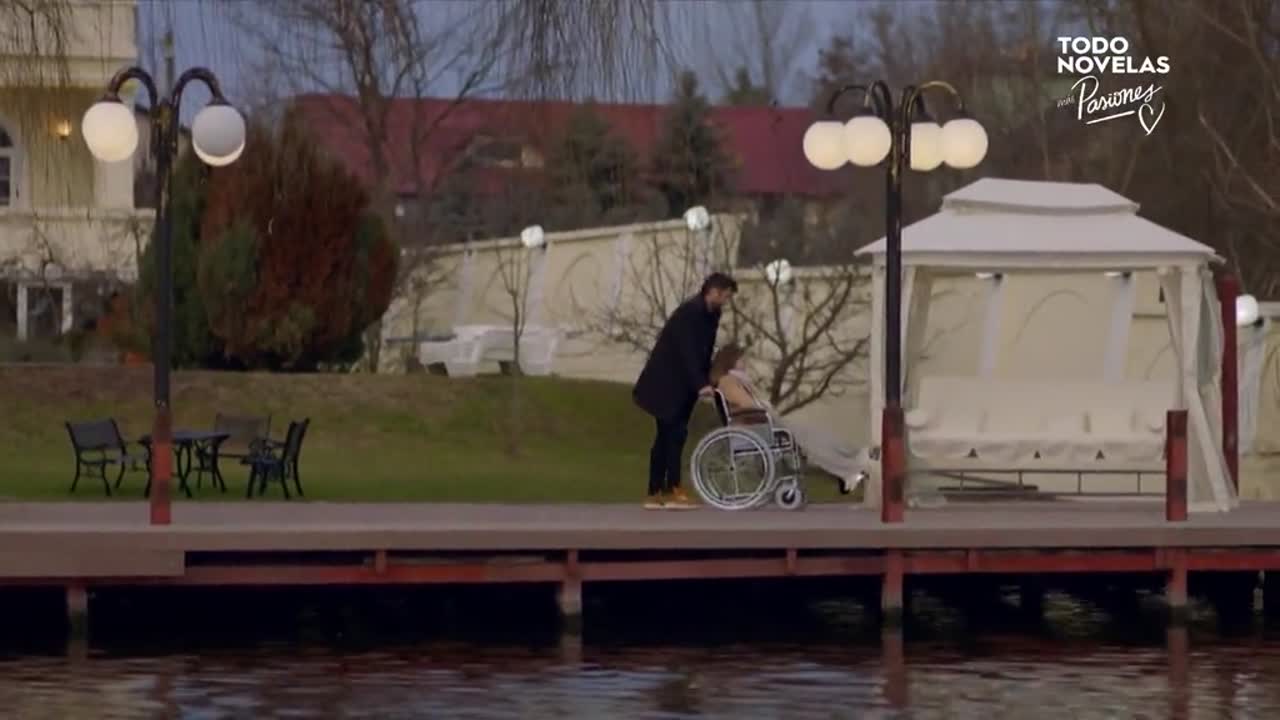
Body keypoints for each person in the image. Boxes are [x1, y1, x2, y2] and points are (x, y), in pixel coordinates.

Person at [709, 343, 872, 497]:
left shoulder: (738, 380)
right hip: (754, 426)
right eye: (741, 359)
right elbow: (747, 404)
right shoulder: (727, 381)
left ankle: (850, 460)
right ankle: (851, 463)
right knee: (810, 439)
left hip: (761, 423)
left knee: (812, 436)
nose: (744, 362)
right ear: (730, 361)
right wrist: (765, 406)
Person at [633, 273, 738, 509]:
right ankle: (670, 489)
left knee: (669, 436)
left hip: (684, 384)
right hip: (666, 383)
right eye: (725, 296)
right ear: (713, 291)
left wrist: (708, 379)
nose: (726, 301)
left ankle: (657, 491)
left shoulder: (711, 315)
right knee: (672, 434)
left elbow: (704, 352)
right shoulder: (689, 314)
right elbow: (687, 352)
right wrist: (700, 384)